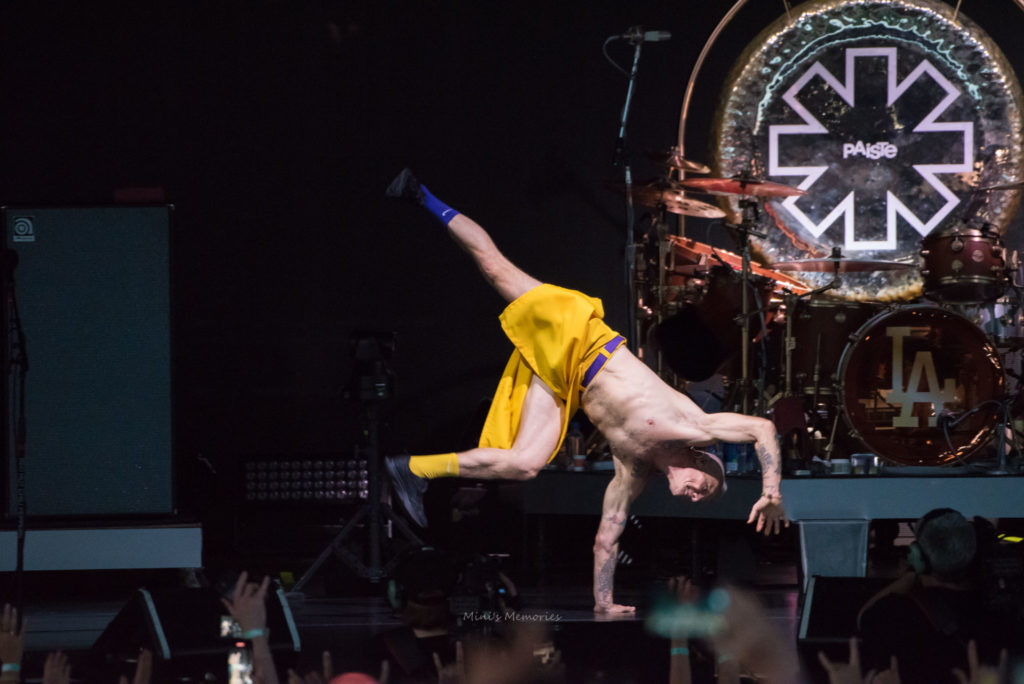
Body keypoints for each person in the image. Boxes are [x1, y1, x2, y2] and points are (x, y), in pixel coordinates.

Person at [384, 169, 788, 613]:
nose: (697, 495)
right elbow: (762, 428)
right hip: (578, 336)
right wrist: (771, 492)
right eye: (705, 487)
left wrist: (604, 602)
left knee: (524, 465)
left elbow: (607, 537)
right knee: (494, 266)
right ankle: (421, 194)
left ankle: (413, 469)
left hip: (564, 381)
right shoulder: (693, 427)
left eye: (701, 498)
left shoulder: (633, 471)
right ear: (702, 461)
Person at [857, 508, 1013, 683]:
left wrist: (909, 578)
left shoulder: (894, 613)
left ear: (918, 557)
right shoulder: (995, 615)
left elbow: (865, 618)